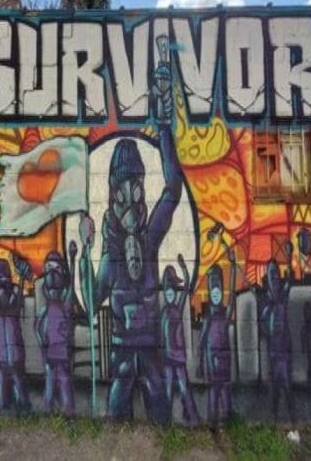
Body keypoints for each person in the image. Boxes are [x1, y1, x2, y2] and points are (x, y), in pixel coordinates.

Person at [78, 66, 181, 424]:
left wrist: (164, 128)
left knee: (159, 407)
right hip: (123, 354)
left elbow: (173, 189)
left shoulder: (150, 240)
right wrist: (84, 254)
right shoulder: (111, 254)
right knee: (117, 412)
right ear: (112, 198)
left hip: (151, 351)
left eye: (136, 190)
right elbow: (92, 300)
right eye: (122, 194)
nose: (131, 203)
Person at [196, 224, 237, 425]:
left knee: (225, 396)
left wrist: (233, 265)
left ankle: (227, 422)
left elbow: (233, 293)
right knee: (214, 395)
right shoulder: (208, 319)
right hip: (213, 365)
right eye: (212, 284)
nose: (216, 290)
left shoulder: (225, 315)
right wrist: (200, 364)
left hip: (224, 365)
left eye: (218, 284)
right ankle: (212, 423)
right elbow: (201, 343)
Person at [0, 254, 32, 414]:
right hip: (9, 361)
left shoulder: (3, 315)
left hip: (10, 361)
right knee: (10, 395)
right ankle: (14, 413)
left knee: (15, 395)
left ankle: (18, 413)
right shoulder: (2, 316)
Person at [35, 244, 77, 417]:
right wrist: (42, 345)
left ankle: (68, 414)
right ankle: (50, 414)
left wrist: (72, 260)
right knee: (51, 386)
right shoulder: (46, 307)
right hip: (51, 352)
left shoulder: (64, 303)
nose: (52, 273)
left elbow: (71, 285)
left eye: (56, 268)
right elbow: (38, 328)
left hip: (62, 352)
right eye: (49, 269)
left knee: (64, 385)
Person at [257, 244, 296, 422]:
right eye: (271, 274)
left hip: (284, 355)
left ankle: (293, 420)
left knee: (287, 388)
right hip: (273, 355)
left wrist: (289, 255)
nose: (274, 278)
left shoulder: (282, 299)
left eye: (276, 274)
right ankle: (274, 420)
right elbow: (263, 329)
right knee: (275, 392)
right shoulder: (266, 305)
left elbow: (290, 279)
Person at [160, 254, 200, 426]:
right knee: (168, 390)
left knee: (184, 389)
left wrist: (183, 266)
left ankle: (192, 416)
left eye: (172, 290)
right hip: (168, 359)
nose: (170, 293)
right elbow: (161, 337)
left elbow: (187, 286)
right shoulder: (164, 313)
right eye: (168, 290)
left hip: (179, 358)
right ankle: (166, 421)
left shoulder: (178, 307)